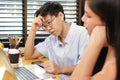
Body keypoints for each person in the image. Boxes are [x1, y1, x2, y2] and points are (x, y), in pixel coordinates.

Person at [24, 1, 89, 80]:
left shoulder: (83, 34)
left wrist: (59, 69)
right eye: (44, 26)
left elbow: (85, 68)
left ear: (61, 16)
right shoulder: (51, 39)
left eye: (49, 22)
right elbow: (28, 55)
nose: (48, 29)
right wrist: (33, 30)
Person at [68, 0, 120, 80]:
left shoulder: (113, 67)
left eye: (88, 16)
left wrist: (95, 40)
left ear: (108, 22)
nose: (82, 19)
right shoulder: (105, 51)